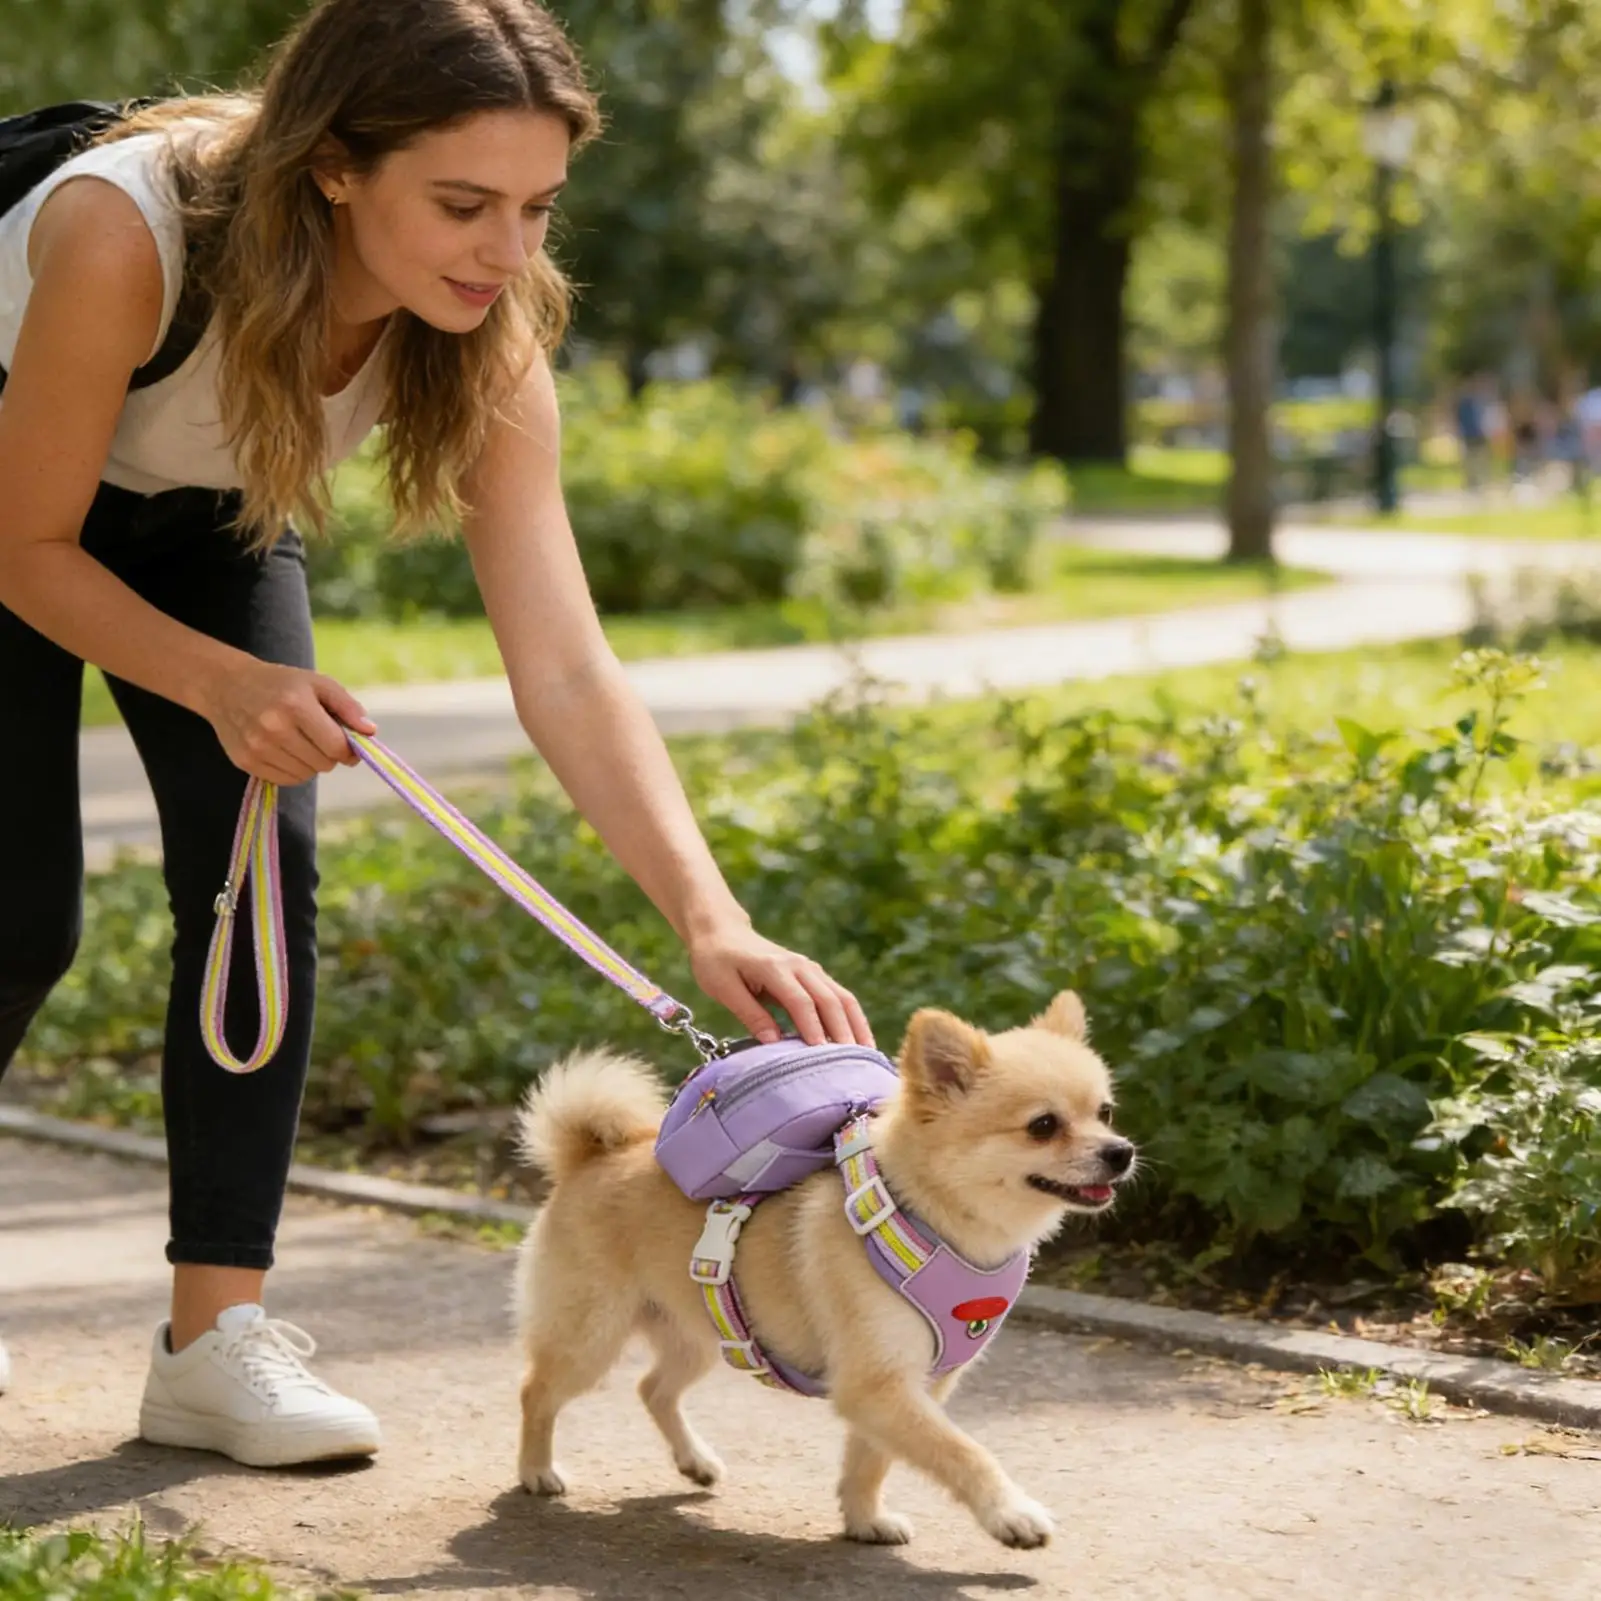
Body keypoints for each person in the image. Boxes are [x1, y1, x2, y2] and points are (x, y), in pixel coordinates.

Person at [0, 0, 872, 1466]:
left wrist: (707, 915)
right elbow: (30, 548)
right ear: (335, 165)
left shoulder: (485, 324)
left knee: (260, 889)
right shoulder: (120, 233)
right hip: (12, 503)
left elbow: (569, 666)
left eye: (537, 207)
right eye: (463, 204)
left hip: (207, 512)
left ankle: (213, 1345)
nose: (505, 248)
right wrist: (223, 684)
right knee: (17, 917)